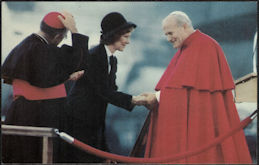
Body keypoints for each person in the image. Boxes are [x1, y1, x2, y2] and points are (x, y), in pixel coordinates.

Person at [141, 11, 252, 163]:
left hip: (202, 127)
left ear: (184, 26)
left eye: (170, 33)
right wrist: (158, 96)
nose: (168, 38)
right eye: (166, 34)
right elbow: (178, 88)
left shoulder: (204, 46)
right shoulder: (188, 48)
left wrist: (158, 97)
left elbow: (187, 93)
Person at [2, 11, 89, 163]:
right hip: (40, 116)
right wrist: (74, 30)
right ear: (58, 36)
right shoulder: (40, 49)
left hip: (23, 114)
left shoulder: (26, 45)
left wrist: (66, 77)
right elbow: (80, 61)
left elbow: (45, 78)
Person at [66, 12, 146, 163]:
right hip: (79, 122)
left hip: (93, 122)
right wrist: (135, 100)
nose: (128, 42)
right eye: (126, 37)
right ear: (115, 35)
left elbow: (111, 92)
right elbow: (104, 91)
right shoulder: (95, 56)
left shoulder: (111, 60)